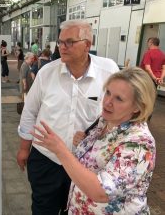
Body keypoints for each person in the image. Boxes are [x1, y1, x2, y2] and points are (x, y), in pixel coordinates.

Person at [17, 19, 119, 215]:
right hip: (47, 159)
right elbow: (30, 111)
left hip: (87, 163)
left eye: (69, 42)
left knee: (77, 210)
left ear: (88, 44)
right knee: (42, 209)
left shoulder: (108, 72)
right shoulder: (46, 73)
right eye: (60, 42)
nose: (62, 47)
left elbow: (119, 112)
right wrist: (23, 149)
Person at [31, 67, 156, 214]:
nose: (108, 102)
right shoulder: (105, 121)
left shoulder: (139, 143)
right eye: (108, 92)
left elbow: (101, 192)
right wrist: (83, 143)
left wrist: (61, 150)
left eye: (119, 98)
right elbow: (98, 155)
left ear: (137, 107)